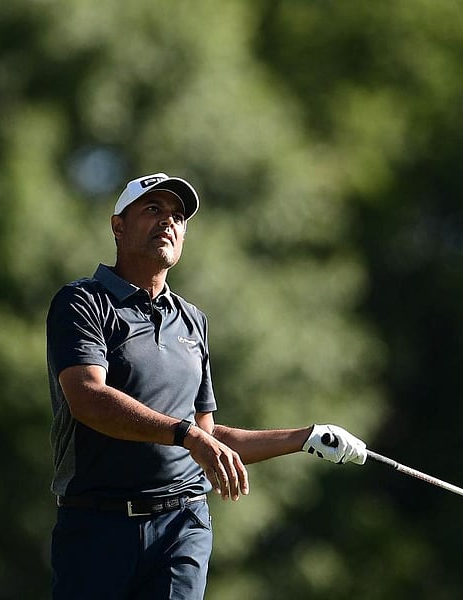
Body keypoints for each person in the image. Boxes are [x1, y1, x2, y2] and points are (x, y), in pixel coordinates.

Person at [46, 172, 367, 599]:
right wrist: (186, 435)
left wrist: (306, 437)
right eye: (153, 210)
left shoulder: (192, 321)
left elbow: (209, 435)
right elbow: (88, 398)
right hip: (96, 525)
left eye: (178, 216)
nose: (168, 222)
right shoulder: (83, 302)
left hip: (182, 524)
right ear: (118, 225)